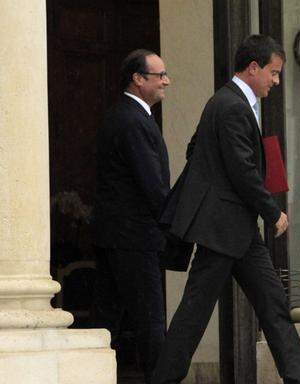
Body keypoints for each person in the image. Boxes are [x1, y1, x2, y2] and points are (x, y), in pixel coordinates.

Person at [152, 35, 300, 384]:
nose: (275, 82)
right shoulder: (230, 105)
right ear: (253, 67)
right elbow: (241, 170)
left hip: (236, 231)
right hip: (222, 231)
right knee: (194, 314)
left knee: (273, 306)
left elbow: (195, 149)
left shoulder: (227, 103)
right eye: (273, 73)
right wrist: (272, 211)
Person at [92, 49, 171, 383]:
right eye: (159, 75)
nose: (167, 81)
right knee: (150, 321)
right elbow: (151, 183)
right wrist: (173, 221)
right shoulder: (132, 120)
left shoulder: (124, 116)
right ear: (138, 80)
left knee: (107, 320)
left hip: (116, 236)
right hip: (134, 238)